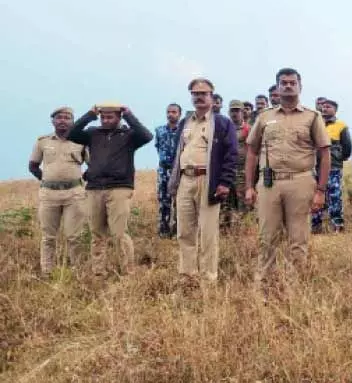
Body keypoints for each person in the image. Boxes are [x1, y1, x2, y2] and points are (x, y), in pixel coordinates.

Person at [245, 68, 331, 285]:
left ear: (300, 86)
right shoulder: (264, 117)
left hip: (300, 181)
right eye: (284, 82)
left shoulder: (312, 117)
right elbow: (252, 151)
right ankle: (263, 285)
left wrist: (320, 190)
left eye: (293, 82)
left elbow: (324, 153)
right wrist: (249, 186)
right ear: (277, 87)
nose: (288, 86)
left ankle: (296, 287)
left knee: (298, 239)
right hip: (269, 183)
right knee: (267, 237)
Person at [68, 103, 153, 276]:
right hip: (94, 188)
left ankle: (128, 272)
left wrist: (129, 115)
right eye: (103, 117)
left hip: (119, 188)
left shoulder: (129, 135)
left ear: (118, 117)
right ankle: (99, 273)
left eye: (110, 117)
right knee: (97, 234)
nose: (106, 120)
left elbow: (147, 136)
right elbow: (72, 134)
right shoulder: (93, 134)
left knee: (119, 233)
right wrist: (89, 114)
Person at [168, 78, 238, 282]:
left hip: (208, 180)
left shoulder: (222, 123)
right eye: (195, 94)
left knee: (207, 233)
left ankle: (209, 278)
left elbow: (231, 154)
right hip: (185, 180)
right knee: (184, 231)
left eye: (203, 93)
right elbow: (178, 151)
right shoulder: (185, 122)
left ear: (212, 97)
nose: (199, 97)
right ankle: (187, 276)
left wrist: (225, 182)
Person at [29, 107, 88, 276]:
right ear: (53, 121)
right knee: (48, 237)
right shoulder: (43, 141)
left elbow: (93, 165)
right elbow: (33, 166)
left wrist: (80, 180)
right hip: (49, 195)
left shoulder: (81, 141)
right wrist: (47, 180)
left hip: (74, 194)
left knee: (74, 237)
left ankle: (77, 272)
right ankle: (47, 272)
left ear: (73, 121)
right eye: (59, 117)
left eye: (67, 117)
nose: (63, 120)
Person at [311, 99, 352, 233]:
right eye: (323, 107)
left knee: (334, 195)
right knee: (315, 194)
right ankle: (315, 226)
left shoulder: (341, 126)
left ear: (335, 110)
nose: (324, 109)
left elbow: (347, 147)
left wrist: (339, 159)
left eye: (328, 107)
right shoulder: (315, 124)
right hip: (315, 167)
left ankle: (337, 225)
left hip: (333, 167)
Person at [220, 100, 251, 229]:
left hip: (242, 171)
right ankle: (224, 231)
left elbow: (253, 151)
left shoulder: (248, 129)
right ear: (228, 112)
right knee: (225, 202)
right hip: (226, 170)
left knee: (242, 203)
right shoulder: (224, 128)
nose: (235, 113)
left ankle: (242, 231)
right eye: (232, 110)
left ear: (243, 112)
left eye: (237, 110)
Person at [155, 103, 182, 238]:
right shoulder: (159, 130)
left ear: (179, 114)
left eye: (174, 112)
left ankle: (178, 230)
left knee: (179, 201)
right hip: (163, 170)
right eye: (168, 112)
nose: (171, 114)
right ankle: (164, 230)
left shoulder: (183, 131)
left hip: (178, 170)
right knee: (163, 200)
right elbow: (157, 147)